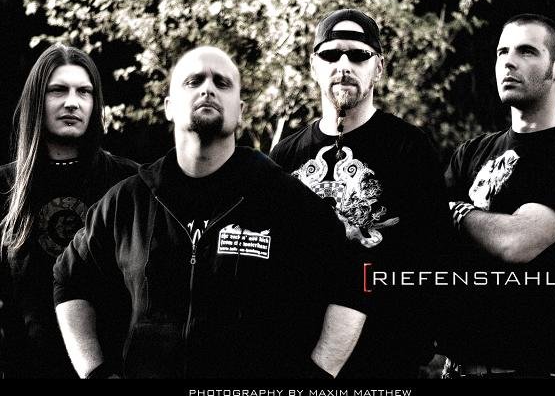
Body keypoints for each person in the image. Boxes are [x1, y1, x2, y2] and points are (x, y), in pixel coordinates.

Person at [53, 45, 366, 379]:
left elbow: (354, 280)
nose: (207, 89)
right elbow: (69, 279)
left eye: (222, 83)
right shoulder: (127, 202)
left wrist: (317, 377)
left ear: (240, 110)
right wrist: (96, 372)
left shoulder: (286, 200)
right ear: (169, 107)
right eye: (193, 81)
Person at [270, 8, 452, 378]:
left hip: (384, 362)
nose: (343, 65)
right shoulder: (283, 156)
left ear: (379, 67)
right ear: (314, 65)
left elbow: (434, 256)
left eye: (358, 55)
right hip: (297, 359)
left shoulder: (409, 148)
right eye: (330, 55)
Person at [441, 14, 555, 378]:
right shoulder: (471, 152)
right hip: (456, 367)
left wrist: (454, 212)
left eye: (526, 51)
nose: (508, 62)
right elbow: (424, 235)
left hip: (529, 368)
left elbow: (516, 242)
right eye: (502, 52)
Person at [0, 43, 139, 378]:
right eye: (58, 90)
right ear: (37, 100)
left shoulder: (130, 183)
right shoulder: (5, 186)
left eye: (84, 91)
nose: (72, 102)